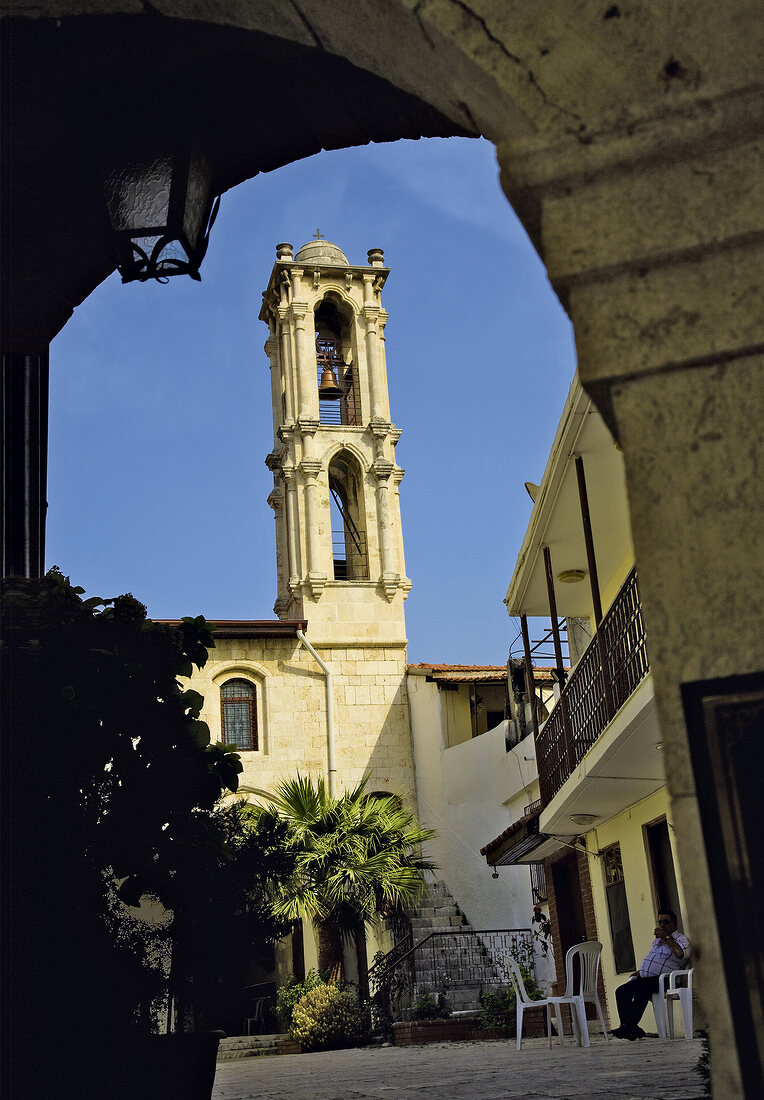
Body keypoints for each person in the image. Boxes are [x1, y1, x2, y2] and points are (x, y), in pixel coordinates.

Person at [611, 909, 690, 1040]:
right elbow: (653, 960)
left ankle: (628, 1027)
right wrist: (640, 972)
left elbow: (680, 954)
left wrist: (666, 938)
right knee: (622, 991)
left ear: (675, 923)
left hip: (666, 980)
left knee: (641, 988)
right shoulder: (657, 942)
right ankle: (630, 1027)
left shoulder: (681, 940)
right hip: (648, 980)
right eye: (660, 923)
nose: (662, 925)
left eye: (666, 922)